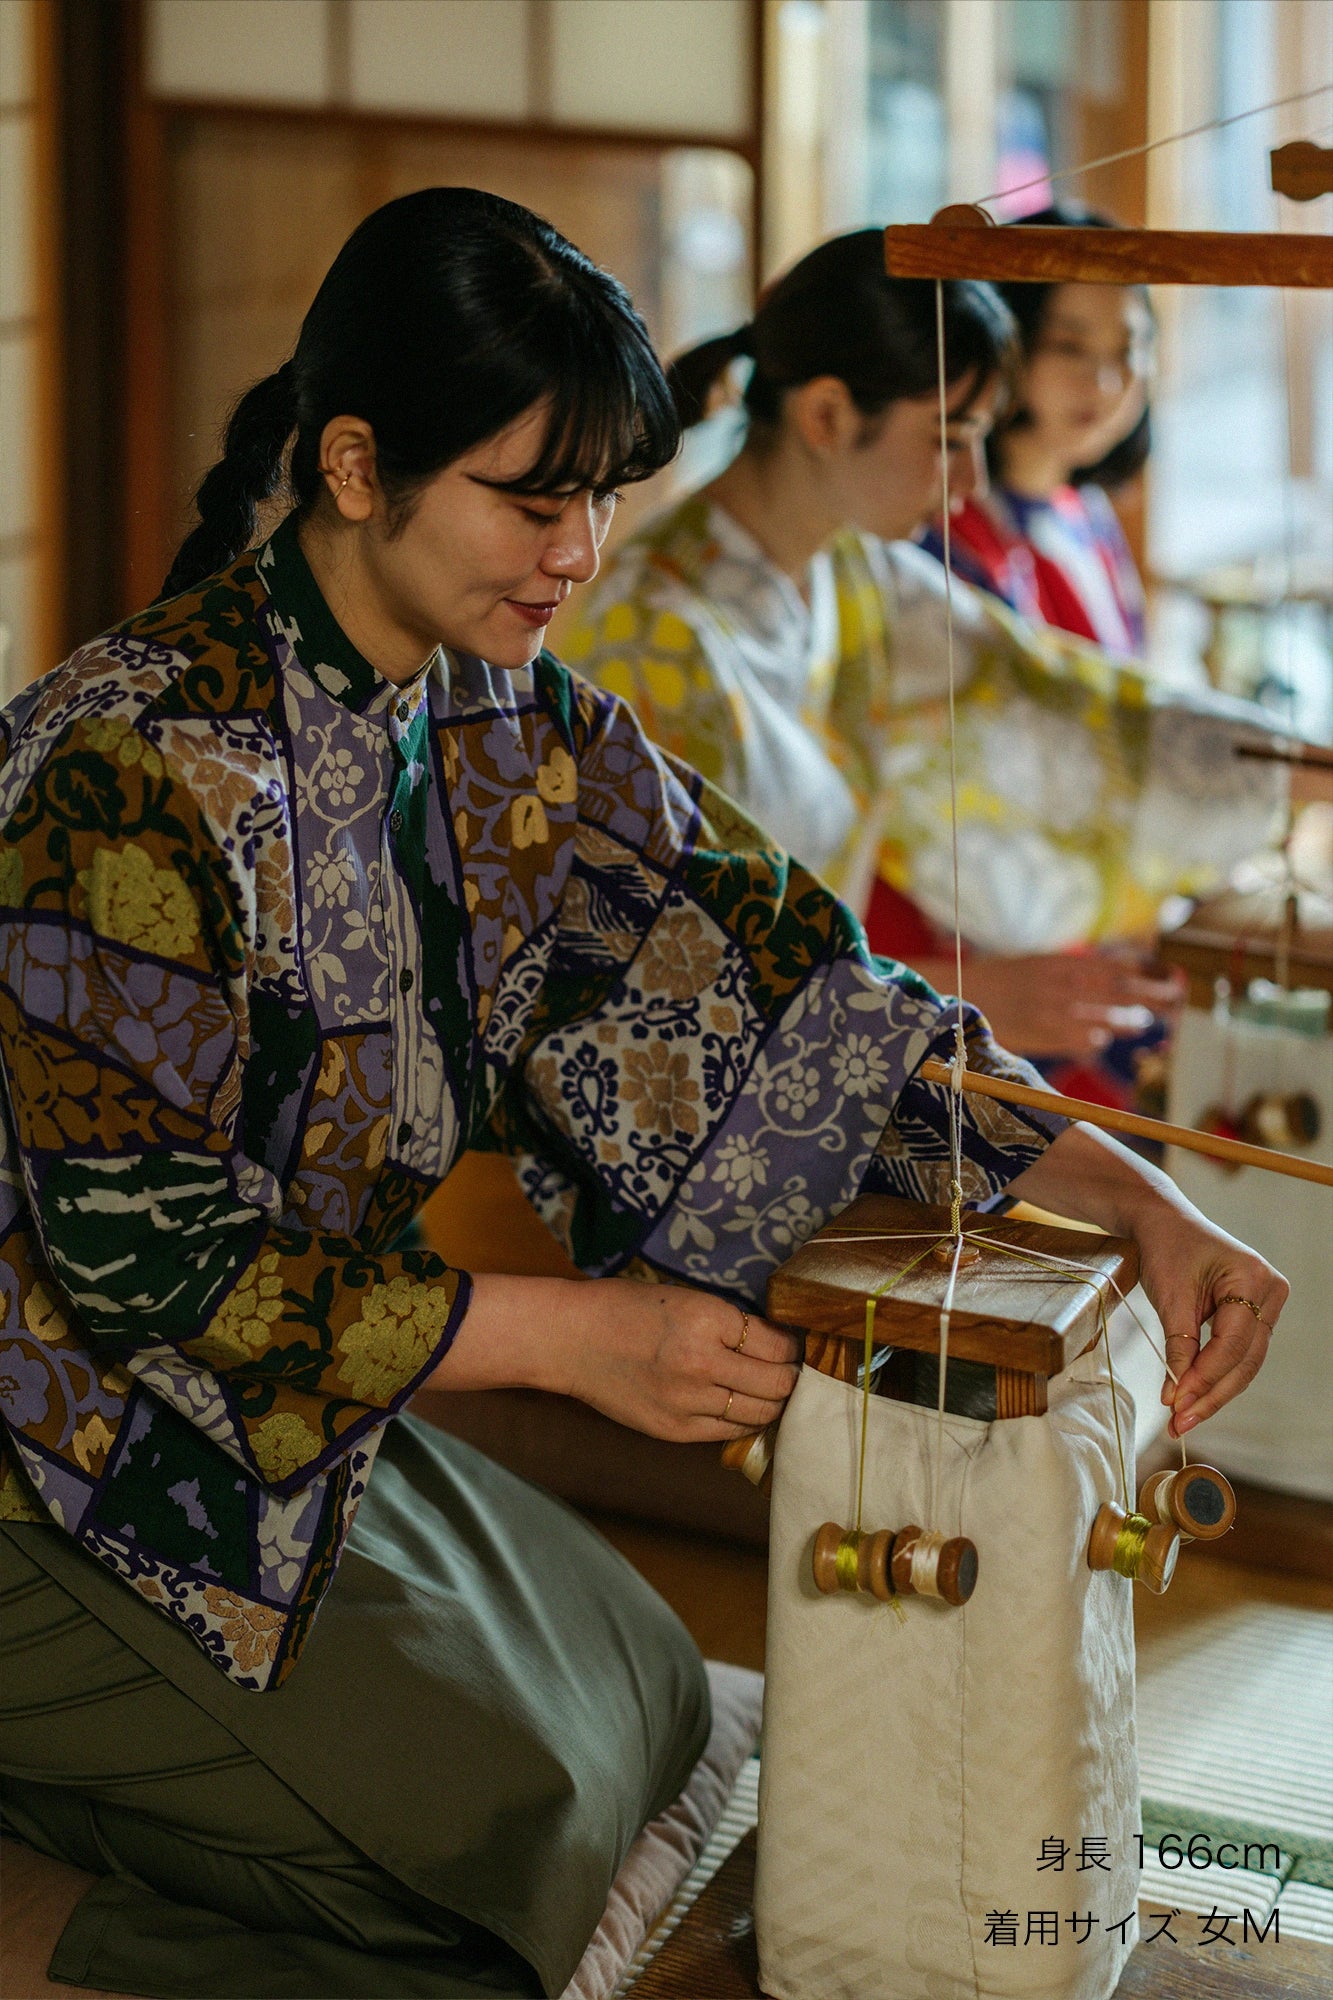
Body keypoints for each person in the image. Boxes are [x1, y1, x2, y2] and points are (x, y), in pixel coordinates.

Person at [0, 190, 1285, 2000]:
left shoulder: (509, 724)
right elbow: (147, 1276)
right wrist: (588, 1340)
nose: (582, 548)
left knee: (657, 1702)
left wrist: (1134, 1204)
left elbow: (798, 989)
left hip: (291, 1408)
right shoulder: (127, 773)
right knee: (489, 1850)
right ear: (356, 466)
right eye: (535, 498)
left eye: (602, 495)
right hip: (57, 1442)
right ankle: (82, 1928)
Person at [562, 228, 1283, 1073]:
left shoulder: (856, 572)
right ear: (826, 415)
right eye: (947, 438)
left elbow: (1068, 708)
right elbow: (661, 977)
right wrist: (959, 991)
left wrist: (1287, 763)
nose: (970, 479)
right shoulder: (647, 637)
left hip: (834, 1071)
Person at [922, 202, 1152, 656]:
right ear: (1008, 344)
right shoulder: (945, 527)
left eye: (1128, 350)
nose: (1105, 384)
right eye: (1069, 347)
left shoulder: (1087, 513)